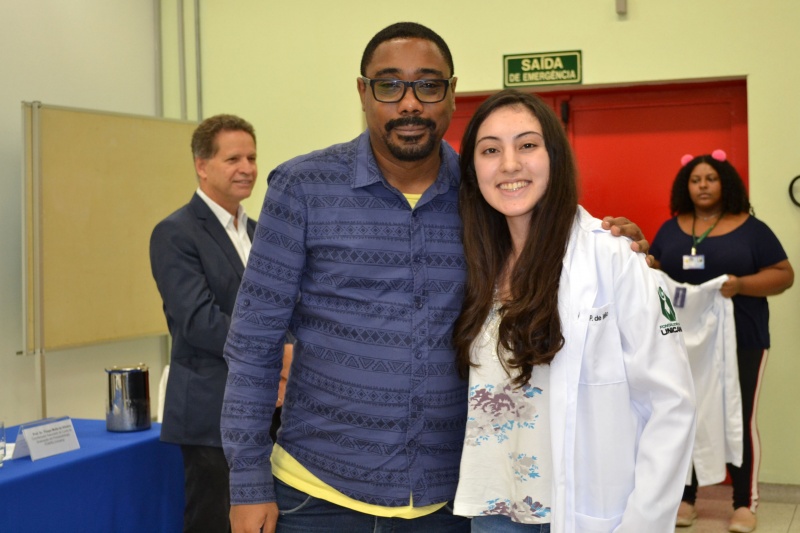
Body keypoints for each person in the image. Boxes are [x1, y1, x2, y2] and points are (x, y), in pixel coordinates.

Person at [220, 23, 650, 533]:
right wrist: (247, 479)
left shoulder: (484, 193)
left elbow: (554, 252)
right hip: (317, 494)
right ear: (363, 93)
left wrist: (610, 243)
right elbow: (254, 341)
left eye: (428, 85)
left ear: (450, 94)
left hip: (449, 500)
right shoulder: (302, 188)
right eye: (388, 85)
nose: (410, 104)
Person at [450, 89, 696, 533]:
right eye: (490, 150)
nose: (509, 164)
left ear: (555, 157)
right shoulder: (472, 262)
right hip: (491, 508)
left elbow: (671, 404)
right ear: (473, 170)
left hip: (581, 510)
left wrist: (641, 523)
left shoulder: (612, 256)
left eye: (527, 144)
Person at [150, 114, 291, 532]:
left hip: (272, 410)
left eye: (251, 157)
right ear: (202, 165)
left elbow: (284, 307)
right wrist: (277, 354)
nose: (247, 168)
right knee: (215, 523)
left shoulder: (259, 231)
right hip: (212, 413)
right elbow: (199, 321)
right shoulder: (175, 233)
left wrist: (289, 358)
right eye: (233, 159)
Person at [650, 151, 794, 532]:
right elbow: (652, 272)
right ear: (686, 186)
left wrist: (741, 285)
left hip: (743, 339)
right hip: (681, 341)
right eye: (695, 179)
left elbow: (784, 275)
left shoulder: (752, 229)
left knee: (738, 414)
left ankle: (744, 503)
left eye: (710, 178)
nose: (702, 185)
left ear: (725, 182)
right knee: (683, 413)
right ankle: (685, 498)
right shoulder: (671, 229)